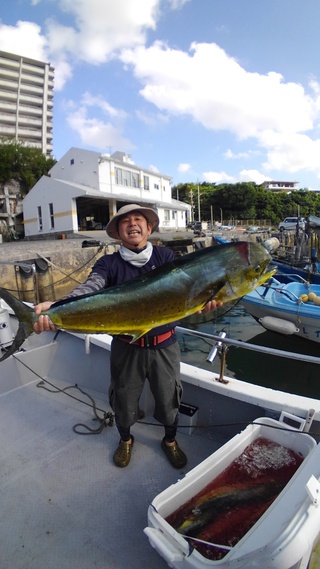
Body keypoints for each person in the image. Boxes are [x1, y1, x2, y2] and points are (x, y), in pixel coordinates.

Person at [34, 204, 219, 469]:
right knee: (123, 401)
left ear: (149, 227)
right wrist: (56, 308)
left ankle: (169, 440)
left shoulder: (167, 257)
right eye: (125, 222)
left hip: (164, 345)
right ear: (118, 232)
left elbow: (189, 290)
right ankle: (126, 439)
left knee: (169, 402)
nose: (132, 224)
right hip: (125, 347)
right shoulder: (108, 264)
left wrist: (207, 300)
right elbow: (91, 288)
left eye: (138, 219)